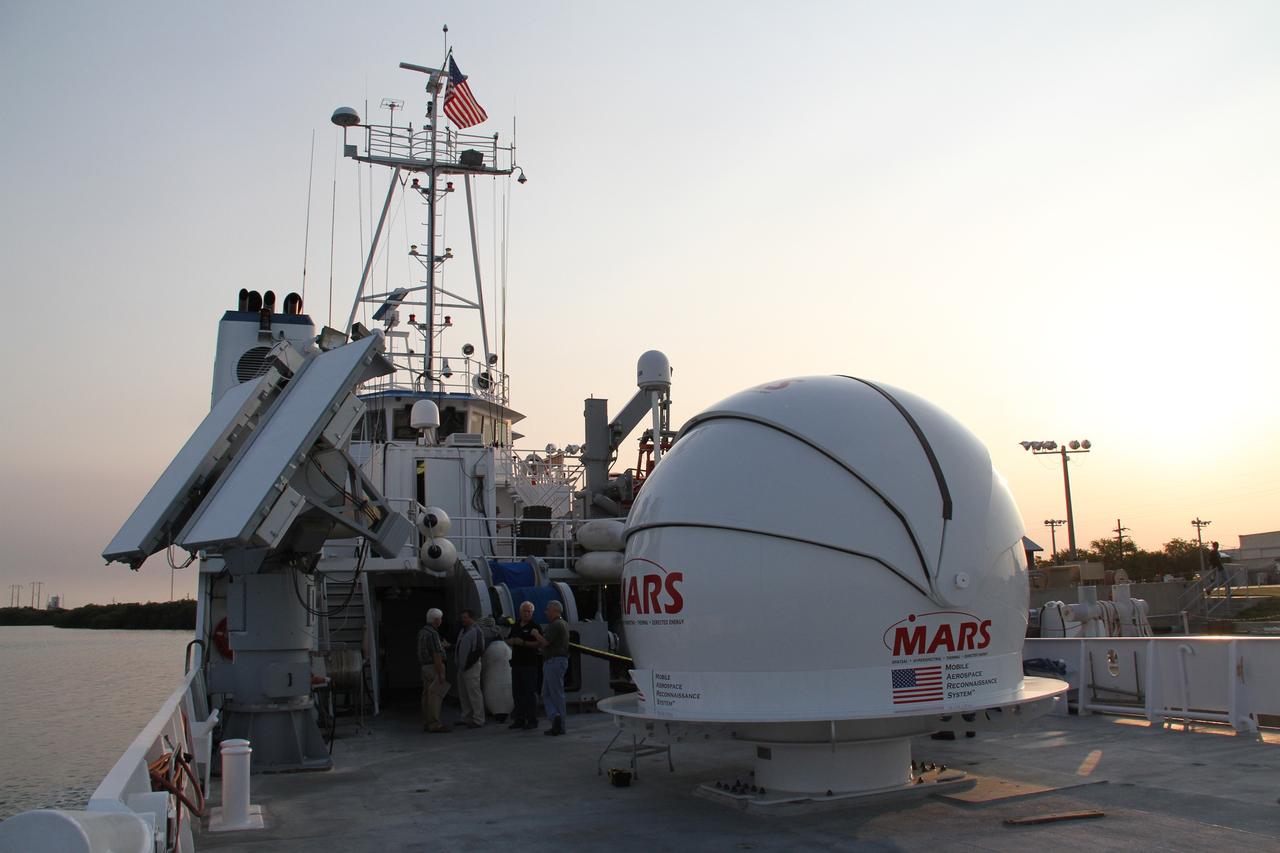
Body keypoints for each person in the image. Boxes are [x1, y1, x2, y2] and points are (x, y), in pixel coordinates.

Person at [533, 599, 570, 736]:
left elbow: (545, 642)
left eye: (548, 609)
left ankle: (559, 723)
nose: (546, 612)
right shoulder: (563, 624)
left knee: (555, 694)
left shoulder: (556, 625)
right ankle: (556, 718)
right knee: (547, 693)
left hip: (554, 661)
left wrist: (536, 634)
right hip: (555, 661)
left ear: (554, 610)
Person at [505, 601, 541, 730]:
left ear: (532, 613)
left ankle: (532, 720)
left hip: (529, 664)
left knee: (529, 693)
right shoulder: (515, 625)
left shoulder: (534, 627)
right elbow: (508, 639)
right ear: (520, 612)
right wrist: (512, 641)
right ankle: (519, 719)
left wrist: (523, 643)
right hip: (517, 664)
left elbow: (539, 644)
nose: (526, 613)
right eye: (524, 611)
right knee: (517, 692)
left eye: (529, 611)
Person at [417, 608, 450, 733]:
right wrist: (440, 673)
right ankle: (434, 723)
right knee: (435, 696)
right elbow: (436, 654)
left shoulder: (422, 632)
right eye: (440, 618)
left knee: (426, 696)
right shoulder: (433, 633)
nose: (441, 621)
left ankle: (427, 722)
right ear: (436, 620)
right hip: (434, 667)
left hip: (424, 667)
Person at [455, 609, 486, 728]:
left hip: (471, 667)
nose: (463, 619)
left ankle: (478, 719)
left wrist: (468, 664)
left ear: (471, 618)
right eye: (462, 617)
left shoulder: (476, 631)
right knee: (463, 694)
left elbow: (479, 649)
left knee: (474, 693)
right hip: (462, 667)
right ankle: (466, 717)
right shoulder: (463, 631)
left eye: (465, 617)